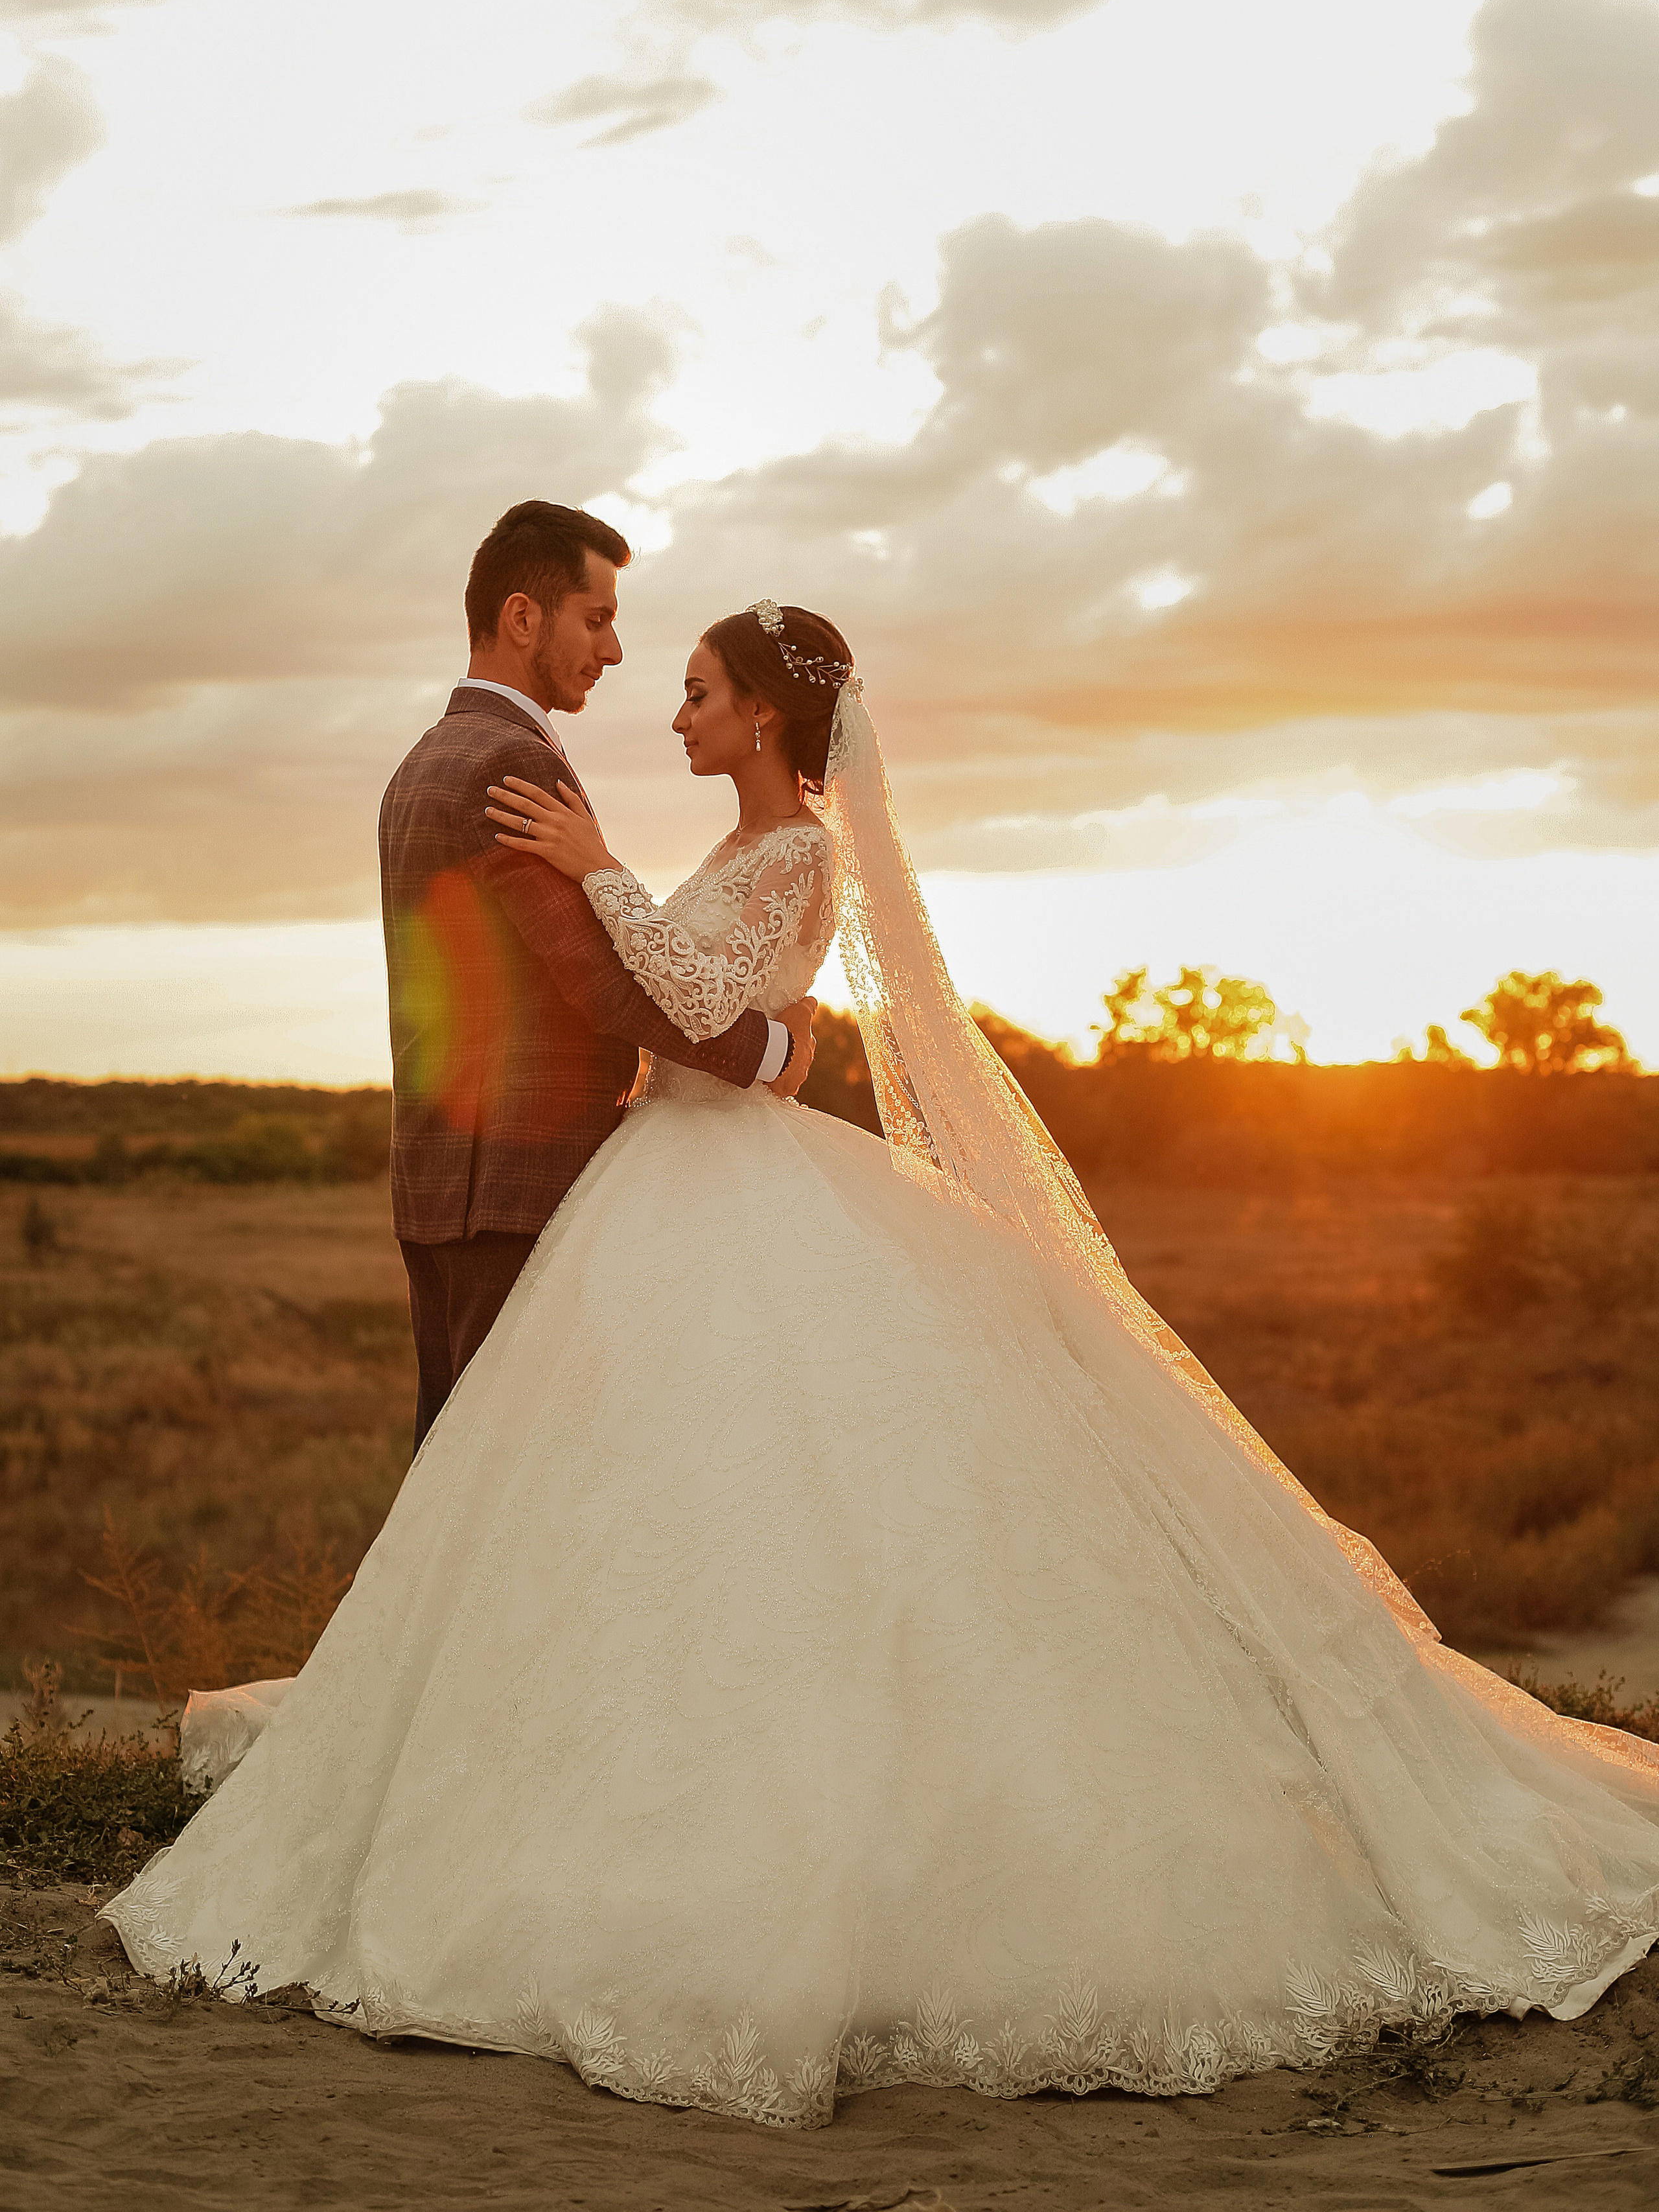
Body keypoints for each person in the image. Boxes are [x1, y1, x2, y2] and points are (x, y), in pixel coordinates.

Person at [104, 600, 1659, 2132]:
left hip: (728, 1187)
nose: (673, 709)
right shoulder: (736, 845)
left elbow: (696, 1000)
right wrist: (701, 975)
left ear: (767, 720)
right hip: (660, 1183)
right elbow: (706, 1016)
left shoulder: (799, 852)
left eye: (700, 690)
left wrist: (603, 880)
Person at [376, 501, 815, 1450]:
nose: (613, 651)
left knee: (458, 1496)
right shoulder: (509, 759)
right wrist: (771, 1048)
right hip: (515, 1187)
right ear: (525, 618)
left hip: (439, 1183)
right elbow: (600, 982)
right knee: (511, 1490)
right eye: (598, 616)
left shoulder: (423, 761)